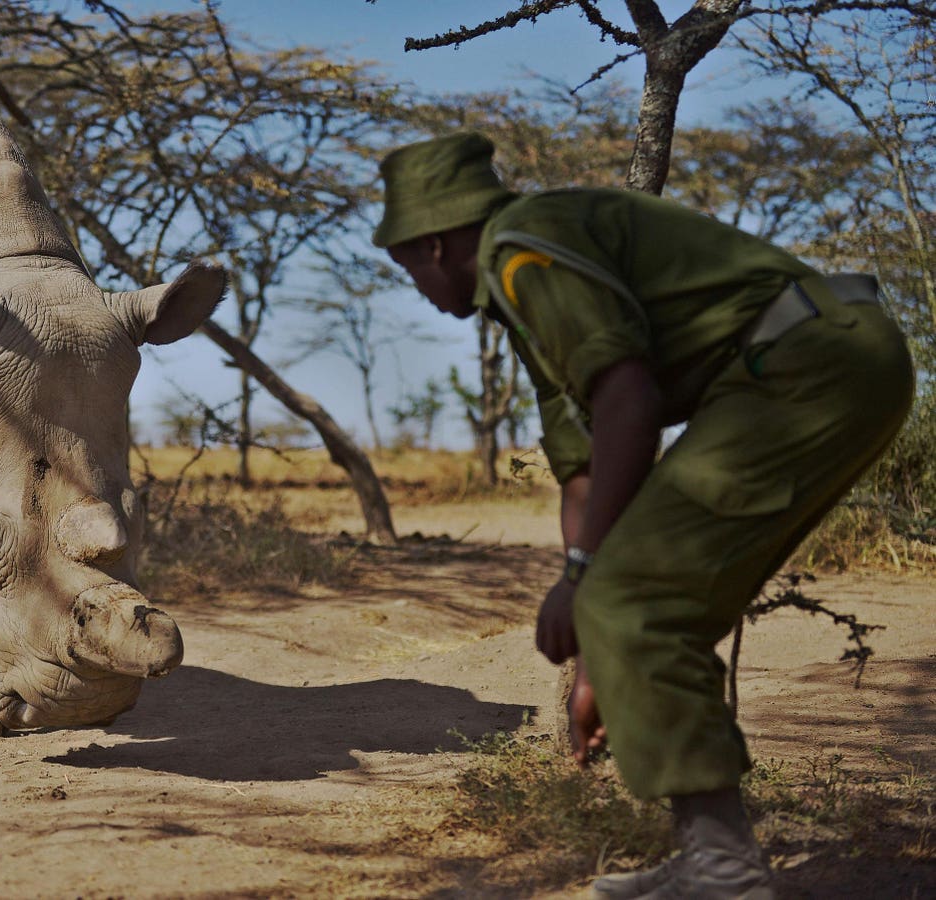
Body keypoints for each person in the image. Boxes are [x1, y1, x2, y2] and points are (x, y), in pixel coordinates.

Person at [373, 133, 914, 900]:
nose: (418, 292)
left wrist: (592, 583)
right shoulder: (525, 288)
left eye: (406, 270)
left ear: (431, 244)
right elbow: (586, 465)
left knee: (639, 596)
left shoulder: (525, 254)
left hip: (803, 366)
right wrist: (596, 643)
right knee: (641, 601)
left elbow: (629, 400)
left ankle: (723, 869)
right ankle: (711, 856)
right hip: (826, 362)